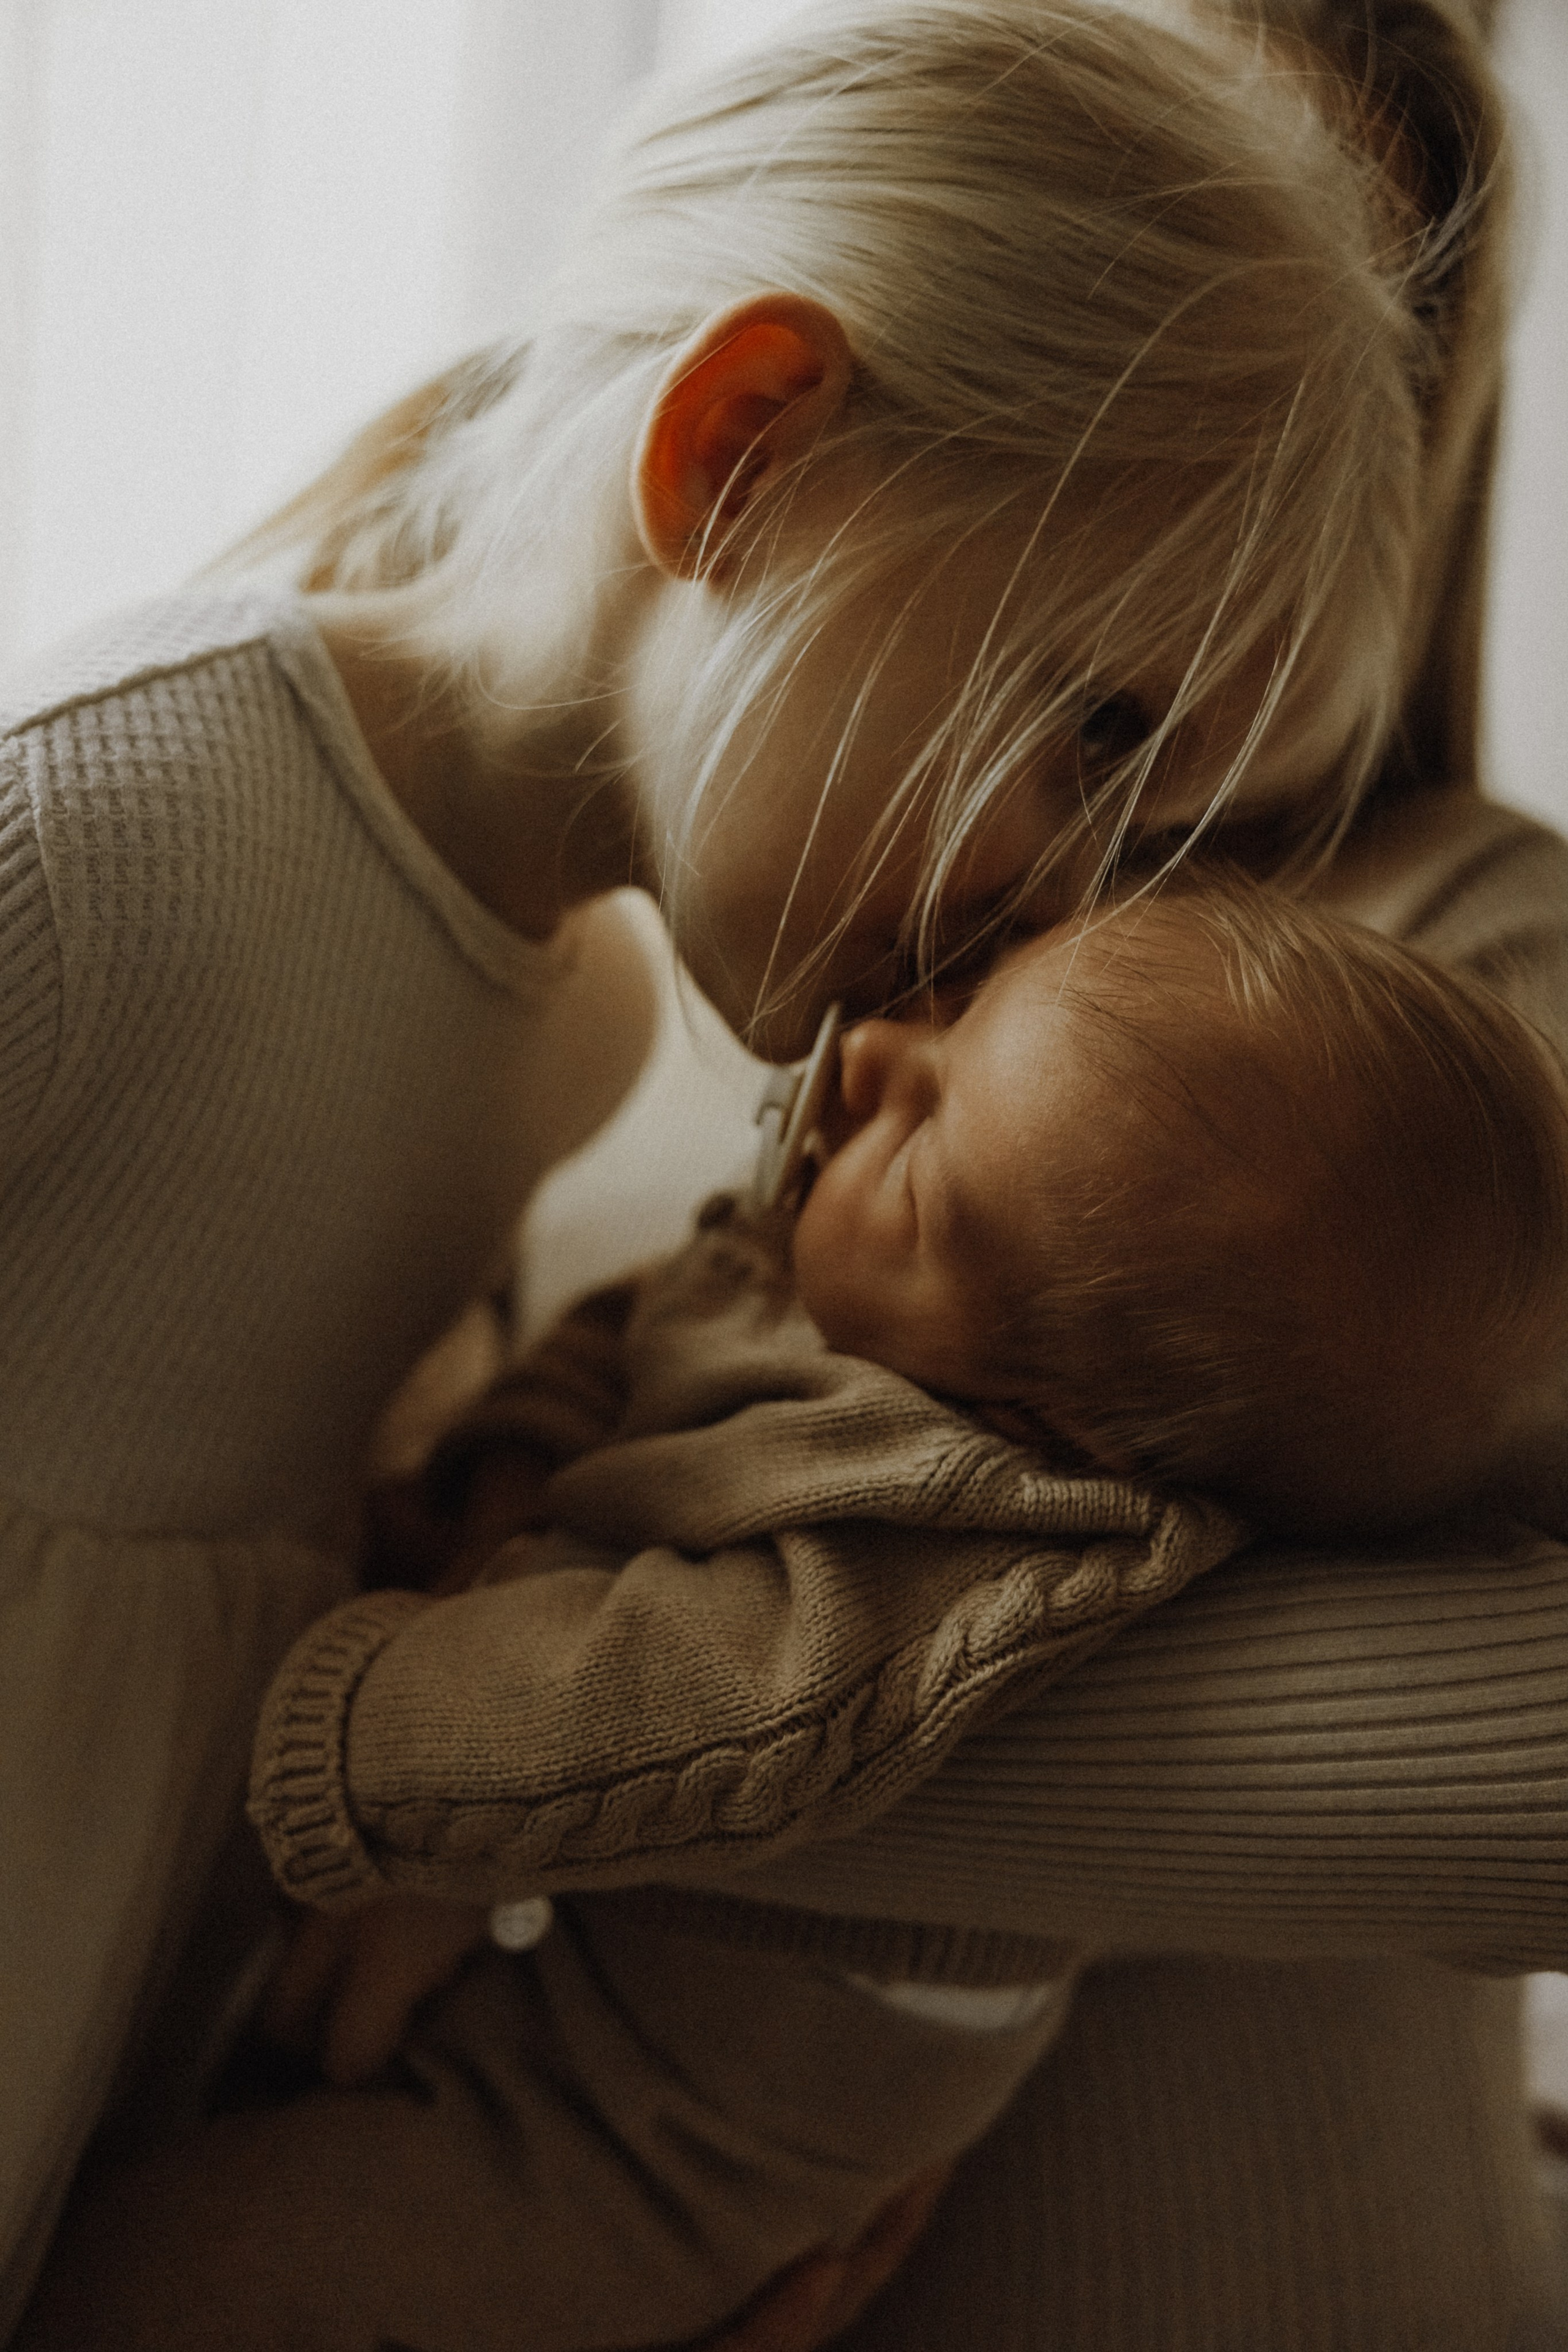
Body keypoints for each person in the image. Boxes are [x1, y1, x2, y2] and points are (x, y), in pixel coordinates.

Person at [3, 0, 1563, 2344]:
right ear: (750, 440)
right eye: (1088, 738)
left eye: (1152, 794)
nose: (1058, 913)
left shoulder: (1443, 1059)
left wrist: (602, 1850)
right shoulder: (220, 866)